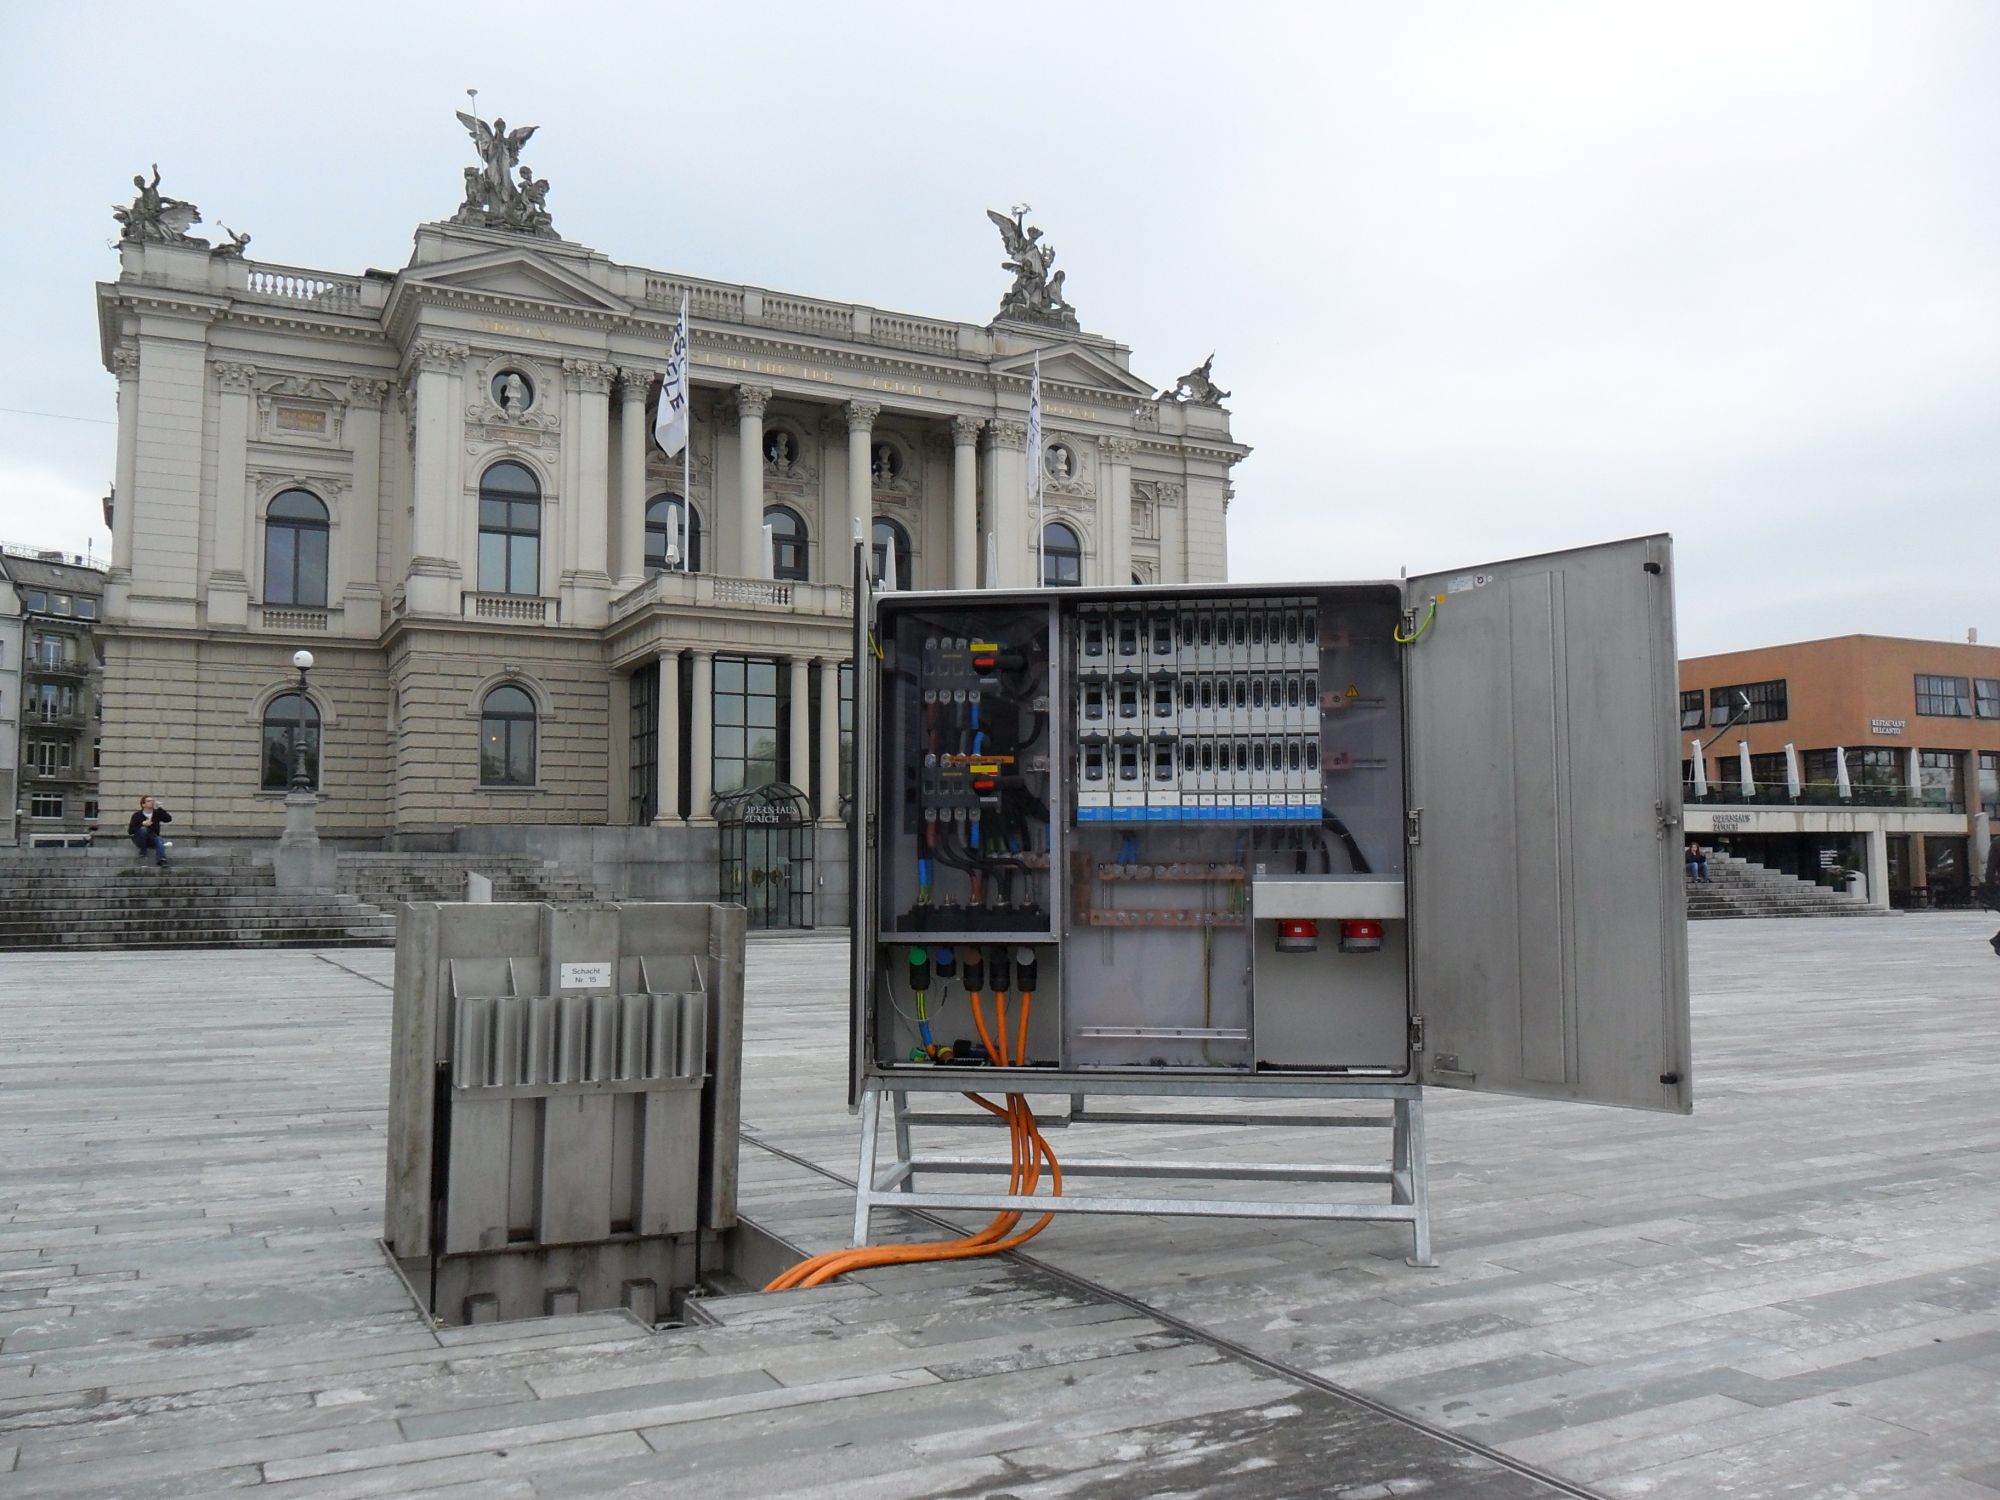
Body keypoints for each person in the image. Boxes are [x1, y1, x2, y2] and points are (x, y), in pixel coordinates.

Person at [129, 796, 172, 869]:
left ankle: (162, 860)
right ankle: (143, 851)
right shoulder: (137, 815)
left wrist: (160, 809)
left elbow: (168, 819)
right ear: (143, 804)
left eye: (152, 801)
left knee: (159, 839)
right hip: (139, 840)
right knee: (143, 830)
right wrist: (142, 824)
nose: (152, 802)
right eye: (149, 801)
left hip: (153, 838)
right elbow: (130, 831)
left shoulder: (157, 813)